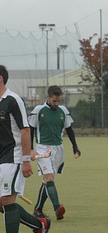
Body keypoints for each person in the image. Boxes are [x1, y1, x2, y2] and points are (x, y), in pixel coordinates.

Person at [0, 65, 50, 233]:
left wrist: (27, 159)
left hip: (13, 157)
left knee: (7, 200)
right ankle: (39, 225)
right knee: (2, 203)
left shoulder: (13, 100)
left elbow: (25, 129)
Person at [29, 85, 81, 220]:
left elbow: (69, 129)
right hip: (42, 149)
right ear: (48, 97)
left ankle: (38, 210)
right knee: (49, 178)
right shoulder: (38, 110)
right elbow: (30, 129)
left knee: (47, 181)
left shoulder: (63, 111)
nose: (57, 104)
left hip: (58, 149)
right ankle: (57, 208)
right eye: (54, 101)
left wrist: (75, 146)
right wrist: (30, 149)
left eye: (59, 101)